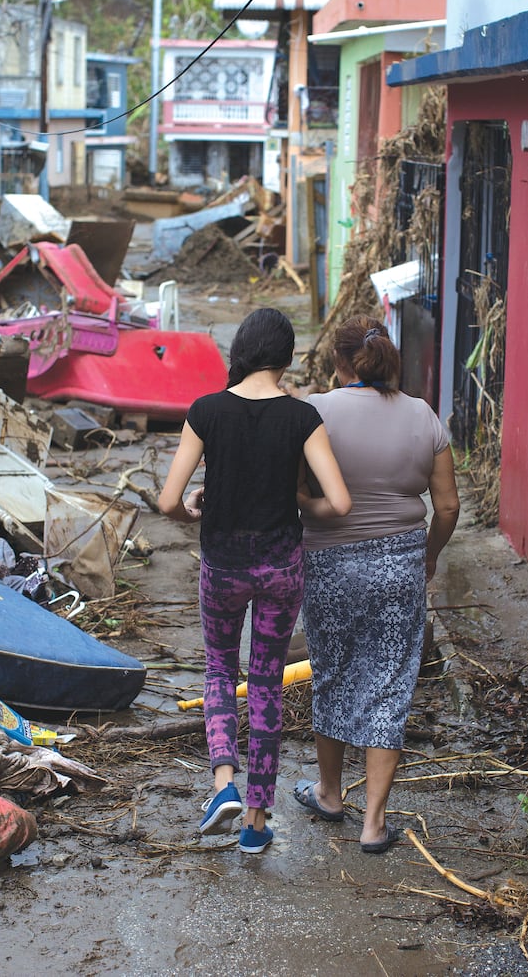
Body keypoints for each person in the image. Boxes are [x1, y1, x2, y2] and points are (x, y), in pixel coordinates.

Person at [158, 308, 351, 854]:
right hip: (281, 567)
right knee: (266, 682)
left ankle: (224, 785)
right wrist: (296, 498)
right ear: (287, 359)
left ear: (240, 350)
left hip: (222, 564)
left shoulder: (206, 411)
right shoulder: (303, 417)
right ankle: (258, 823)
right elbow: (339, 502)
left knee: (220, 669)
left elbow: (169, 500)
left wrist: (195, 509)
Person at [293, 314, 460, 854]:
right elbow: (449, 506)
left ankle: (329, 793)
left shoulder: (314, 412)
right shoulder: (423, 415)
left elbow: (293, 487)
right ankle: (374, 823)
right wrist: (429, 555)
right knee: (389, 682)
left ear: (339, 363)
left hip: (328, 563)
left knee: (332, 673)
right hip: (400, 566)